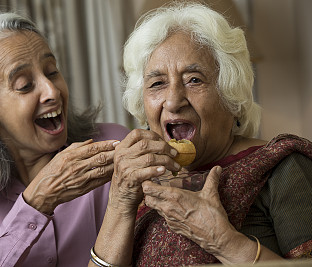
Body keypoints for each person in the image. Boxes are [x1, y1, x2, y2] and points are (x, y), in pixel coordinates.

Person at [89, 2, 312, 266]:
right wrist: (120, 201)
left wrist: (222, 240)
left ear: (231, 95)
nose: (173, 101)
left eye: (194, 79)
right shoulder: (140, 183)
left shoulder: (282, 165)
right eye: (157, 83)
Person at [0, 12, 130, 266]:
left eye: (52, 72)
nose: (52, 91)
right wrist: (37, 203)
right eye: (25, 85)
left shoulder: (112, 145)